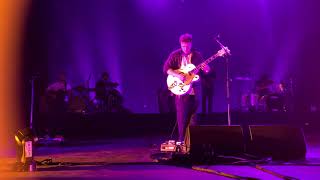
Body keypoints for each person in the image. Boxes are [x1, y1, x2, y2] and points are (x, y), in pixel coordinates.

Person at [163, 33, 211, 147]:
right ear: (180, 45)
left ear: (191, 44)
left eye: (188, 46)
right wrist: (177, 75)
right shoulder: (175, 55)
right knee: (182, 118)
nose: (185, 48)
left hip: (195, 91)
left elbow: (207, 71)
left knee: (194, 118)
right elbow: (166, 69)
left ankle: (192, 143)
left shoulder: (197, 55)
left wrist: (207, 69)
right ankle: (181, 143)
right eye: (183, 46)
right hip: (181, 91)